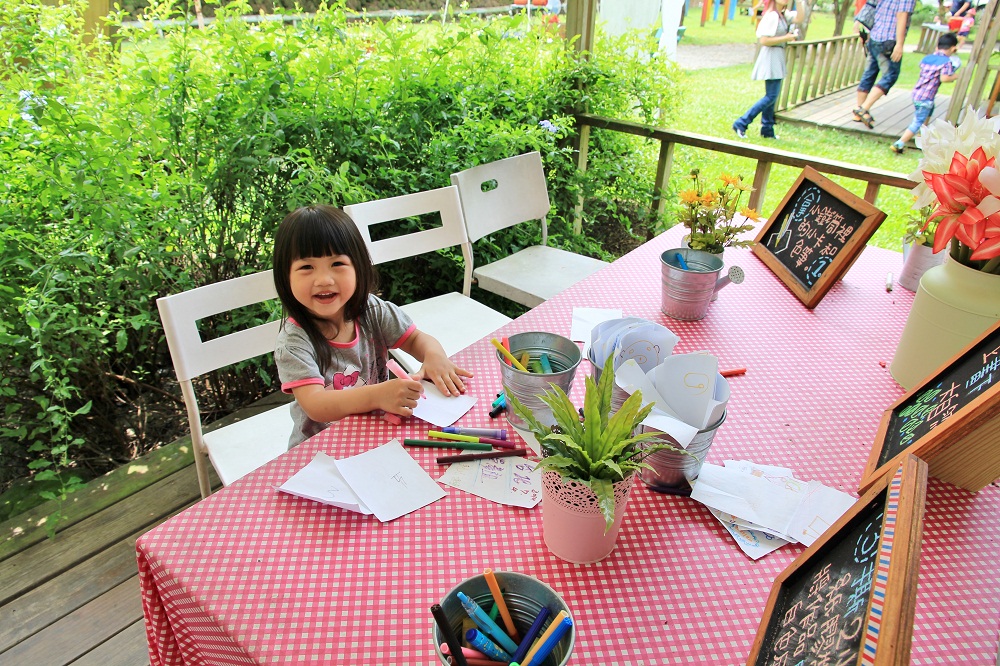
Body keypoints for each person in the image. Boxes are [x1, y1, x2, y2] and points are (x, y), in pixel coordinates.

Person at [272, 204, 473, 447]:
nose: (324, 280)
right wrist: (378, 395)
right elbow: (316, 406)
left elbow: (415, 339)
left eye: (337, 264)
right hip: (320, 450)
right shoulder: (294, 342)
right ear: (285, 277)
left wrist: (434, 355)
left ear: (358, 267)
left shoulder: (371, 311)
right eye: (306, 267)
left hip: (376, 432)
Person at [732, 0, 798, 140]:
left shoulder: (782, 15)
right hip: (771, 55)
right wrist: (786, 37)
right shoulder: (772, 16)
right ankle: (741, 122)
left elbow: (801, 18)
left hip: (777, 55)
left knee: (772, 95)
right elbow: (764, 40)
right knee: (772, 95)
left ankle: (767, 129)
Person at [852, 0, 917, 129]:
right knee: (890, 75)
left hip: (875, 36)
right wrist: (899, 44)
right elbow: (901, 16)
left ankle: (858, 112)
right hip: (889, 39)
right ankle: (863, 108)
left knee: (869, 73)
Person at [891, 32, 960, 154]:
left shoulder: (927, 58)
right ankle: (899, 143)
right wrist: (956, 76)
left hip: (917, 94)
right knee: (918, 120)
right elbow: (944, 78)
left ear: (937, 47)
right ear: (953, 48)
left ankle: (923, 136)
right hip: (926, 97)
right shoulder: (946, 62)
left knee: (929, 111)